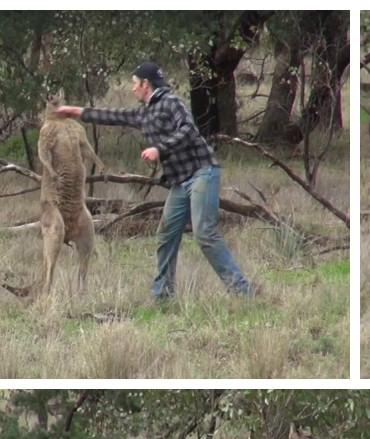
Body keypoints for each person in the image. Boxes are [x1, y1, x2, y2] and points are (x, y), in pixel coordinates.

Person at [54, 61, 251, 299]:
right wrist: (76, 112)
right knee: (166, 235)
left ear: (146, 84)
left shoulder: (171, 103)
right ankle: (163, 296)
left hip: (202, 173)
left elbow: (188, 130)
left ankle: (242, 292)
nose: (133, 89)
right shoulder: (143, 112)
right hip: (180, 182)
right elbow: (114, 115)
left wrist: (159, 148)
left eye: (135, 84)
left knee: (205, 234)